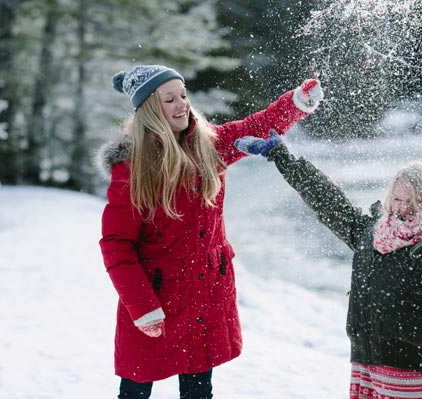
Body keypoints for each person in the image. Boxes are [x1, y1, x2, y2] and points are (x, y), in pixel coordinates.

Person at [95, 64, 323, 399]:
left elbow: (255, 126)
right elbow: (116, 245)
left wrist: (296, 102)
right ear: (150, 111)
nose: (182, 104)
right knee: (136, 387)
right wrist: (142, 306)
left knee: (199, 388)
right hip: (157, 298)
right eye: (169, 99)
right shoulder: (133, 168)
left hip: (204, 291)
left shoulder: (208, 145)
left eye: (183, 95)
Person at [234, 132, 422, 399]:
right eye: (397, 199)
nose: (402, 208)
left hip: (407, 368)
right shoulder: (371, 233)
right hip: (364, 359)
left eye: (413, 201)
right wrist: (282, 157)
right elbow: (328, 201)